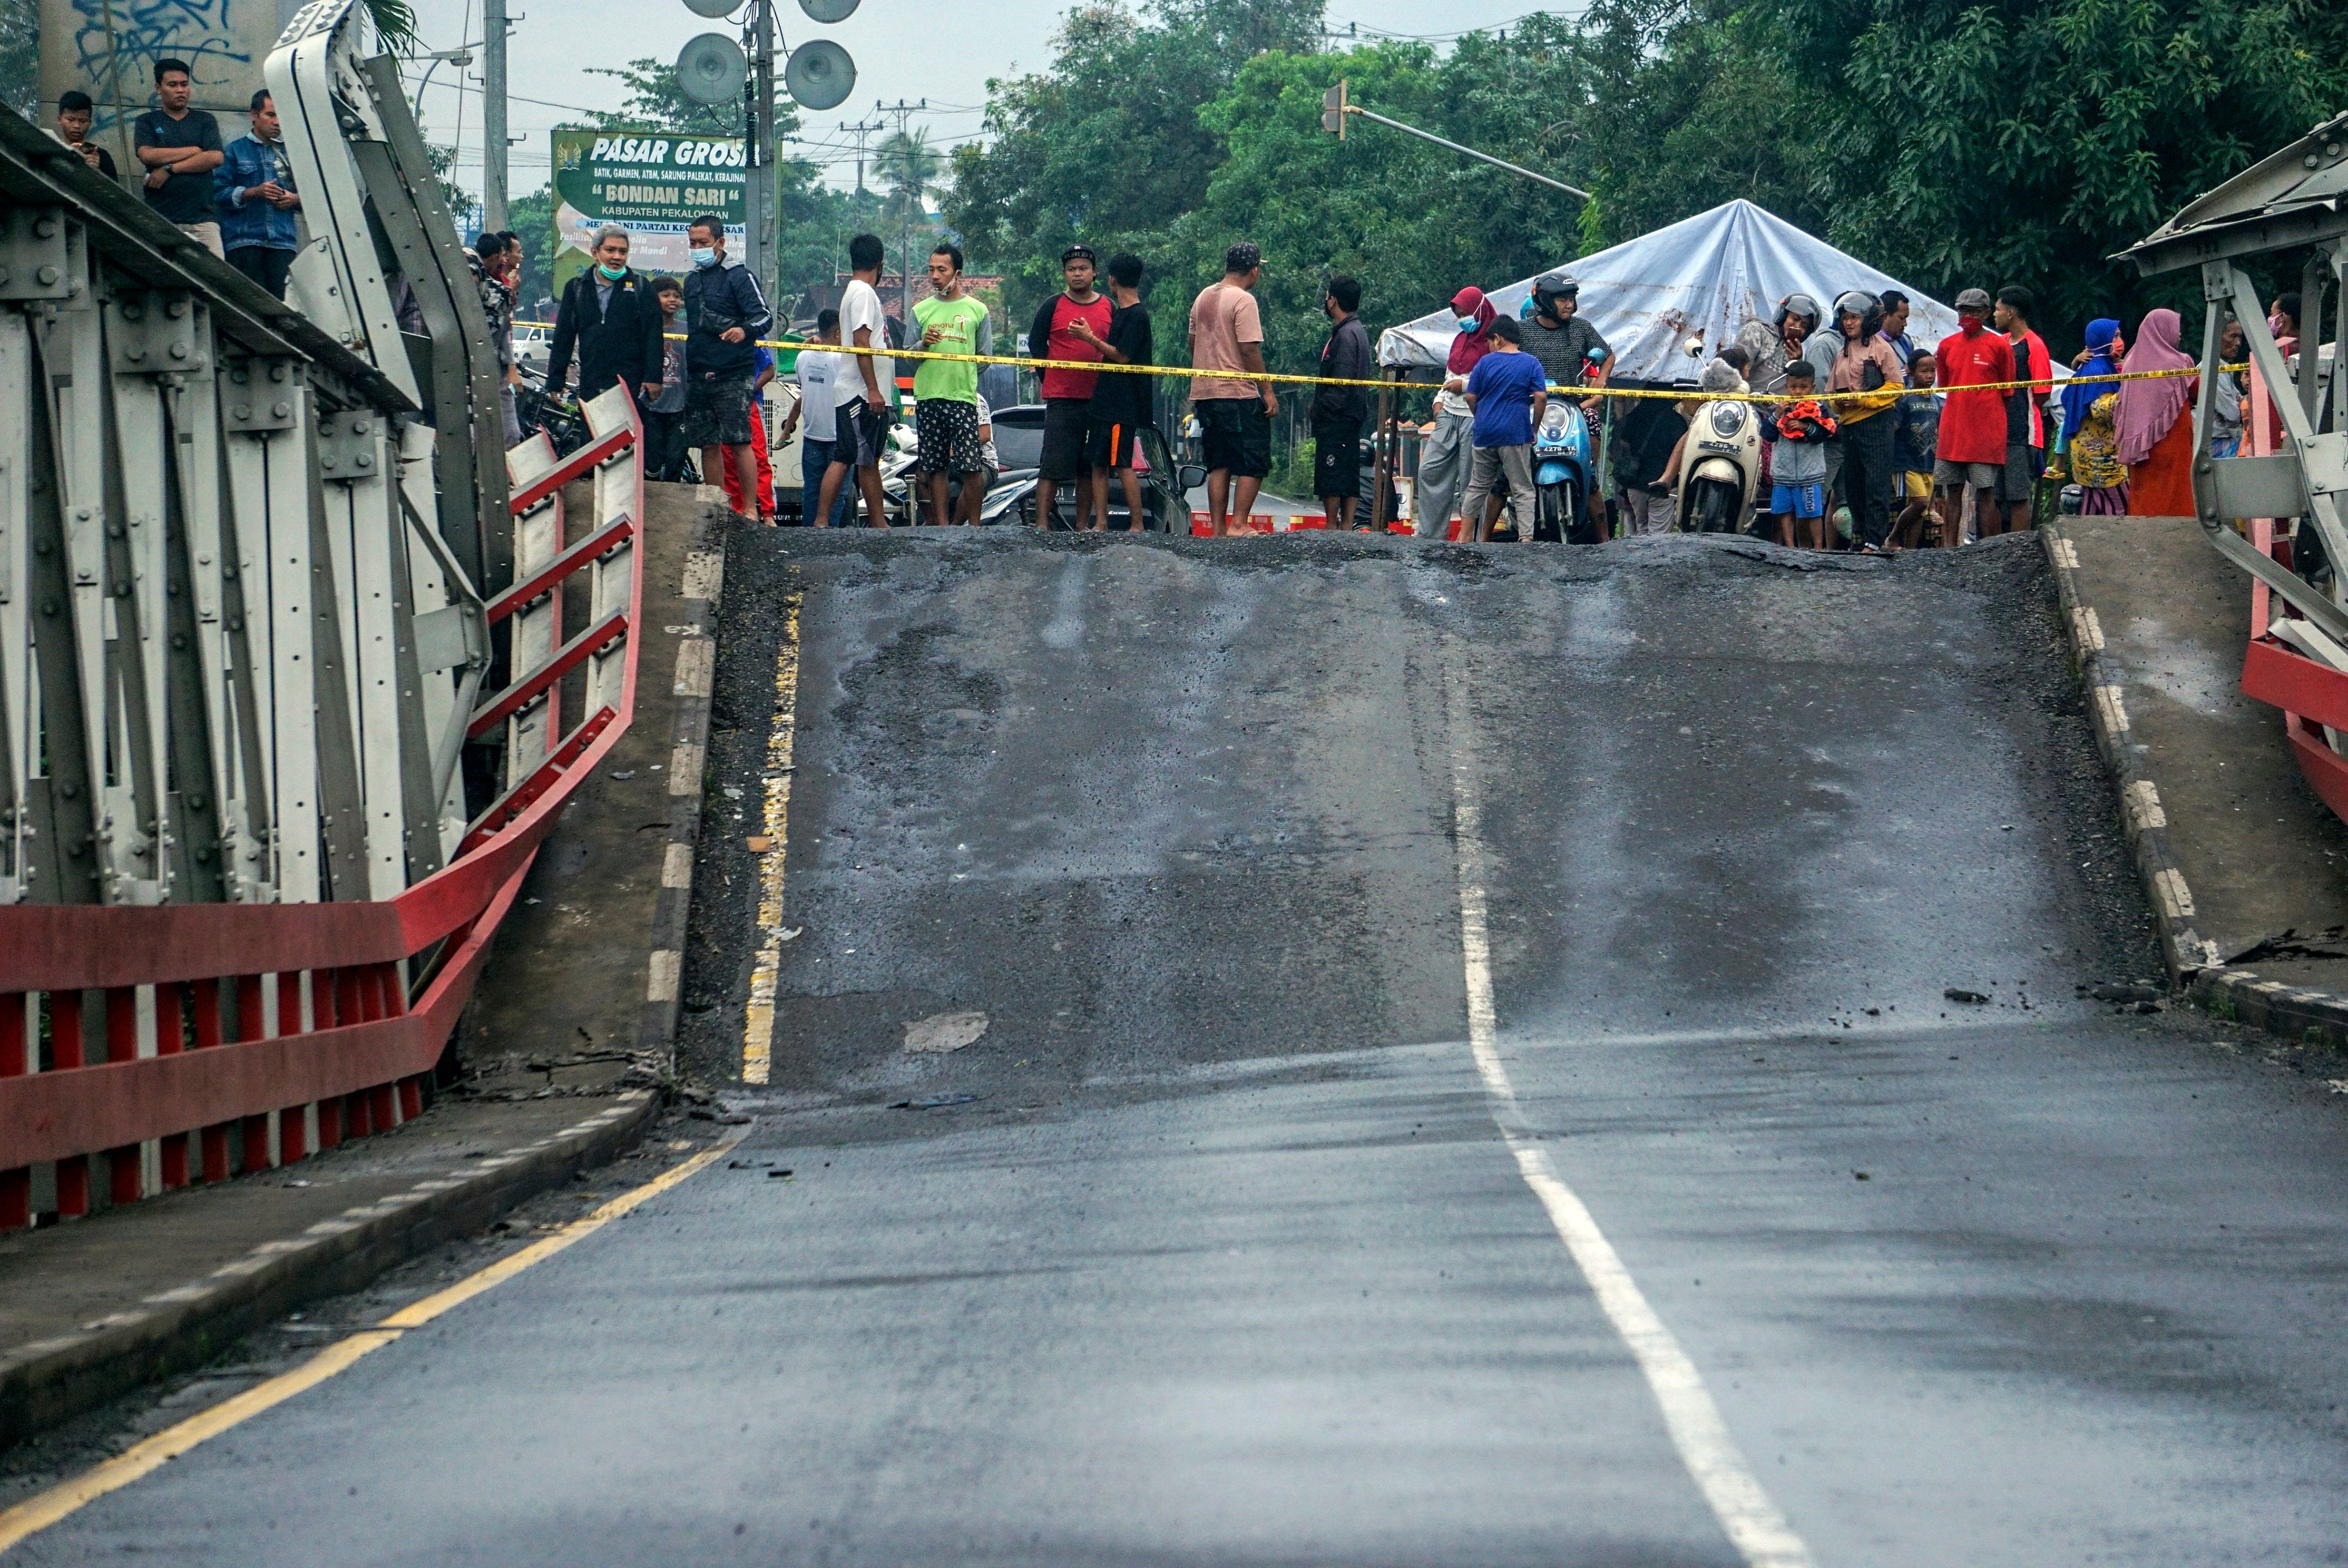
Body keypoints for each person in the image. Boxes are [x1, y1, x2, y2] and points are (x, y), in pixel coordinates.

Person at [683, 212, 777, 523]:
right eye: (693, 243)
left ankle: (750, 510)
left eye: (704, 243)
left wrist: (744, 330)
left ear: (721, 242)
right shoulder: (692, 280)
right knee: (709, 444)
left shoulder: (739, 275)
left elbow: (765, 317)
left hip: (734, 373)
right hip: (699, 374)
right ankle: (716, 507)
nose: (698, 248)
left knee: (739, 442)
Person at [1189, 242, 1277, 538]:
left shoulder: (1202, 297)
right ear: (1254, 270)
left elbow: (1193, 342)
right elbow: (1249, 349)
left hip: (1205, 393)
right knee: (1255, 458)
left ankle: (1219, 530)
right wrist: (1267, 391)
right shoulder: (1243, 300)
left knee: (1219, 462)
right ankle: (1239, 523)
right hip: (1237, 392)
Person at [1025, 245, 1114, 530]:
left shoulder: (1108, 306)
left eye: (1083, 269)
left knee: (1088, 468)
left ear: (1095, 273)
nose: (1078, 274)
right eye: (1072, 269)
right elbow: (1037, 345)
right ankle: (1041, 524)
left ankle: (1082, 526)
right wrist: (1048, 377)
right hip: (1062, 399)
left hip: (1098, 399)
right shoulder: (1052, 305)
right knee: (1051, 465)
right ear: (1065, 274)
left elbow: (1117, 350)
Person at [1071, 252, 1155, 532]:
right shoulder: (1120, 313)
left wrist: (1089, 338)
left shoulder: (1137, 316)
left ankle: (1137, 524)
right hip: (1104, 401)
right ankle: (1101, 522)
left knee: (1122, 464)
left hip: (1124, 404)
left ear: (1112, 280)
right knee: (1098, 461)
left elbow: (1122, 357)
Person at [912, 242, 994, 526]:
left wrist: (963, 372)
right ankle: (943, 528)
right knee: (934, 467)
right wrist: (923, 345)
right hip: (928, 397)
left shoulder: (978, 310)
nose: (935, 276)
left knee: (971, 466)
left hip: (962, 397)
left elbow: (985, 357)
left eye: (941, 270)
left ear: (957, 273)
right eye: (931, 270)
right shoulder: (920, 311)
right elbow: (908, 357)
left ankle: (975, 526)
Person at [1820, 291, 1907, 552]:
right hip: (1849, 425)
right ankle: (1859, 537)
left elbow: (1896, 387)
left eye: (1855, 318)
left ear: (1867, 319)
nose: (1849, 323)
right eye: (1845, 318)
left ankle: (1875, 540)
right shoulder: (1843, 351)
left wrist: (1864, 400)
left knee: (1876, 484)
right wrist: (1840, 403)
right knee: (1854, 486)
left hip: (1876, 423)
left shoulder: (1881, 348)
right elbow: (1831, 393)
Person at [545, 224, 664, 407]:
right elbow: (564, 337)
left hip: (631, 386)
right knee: (592, 435)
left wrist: (653, 377)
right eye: (610, 250)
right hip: (590, 384)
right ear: (595, 253)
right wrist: (555, 379)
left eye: (623, 252)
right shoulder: (576, 288)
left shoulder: (642, 288)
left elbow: (653, 336)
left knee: (631, 436)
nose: (617, 257)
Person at [1932, 288, 2013, 546]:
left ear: (1987, 313)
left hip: (1985, 431)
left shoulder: (2000, 346)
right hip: (1953, 430)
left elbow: (2008, 391)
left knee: (1986, 493)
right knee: (1951, 492)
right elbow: (1945, 386)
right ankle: (1949, 550)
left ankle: (1989, 548)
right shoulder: (1946, 346)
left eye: (1973, 311)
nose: (1966, 316)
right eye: (1962, 310)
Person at [1416, 285, 1495, 539]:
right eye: (1459, 314)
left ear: (1479, 310)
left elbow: (1496, 380)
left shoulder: (1494, 343)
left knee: (1471, 481)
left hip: (1476, 416)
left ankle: (1471, 539)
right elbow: (1449, 376)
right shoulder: (1459, 340)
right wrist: (1438, 403)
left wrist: (1465, 386)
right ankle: (1430, 536)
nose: (1463, 320)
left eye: (1466, 313)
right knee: (1430, 471)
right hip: (1448, 413)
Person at [1458, 317, 1546, 543]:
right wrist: (1534, 428)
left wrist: (1482, 417)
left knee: (1478, 486)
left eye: (1489, 342)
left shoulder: (1485, 363)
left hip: (1485, 434)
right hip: (1515, 433)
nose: (1489, 346)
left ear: (1497, 339)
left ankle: (1465, 536)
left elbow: (1470, 395)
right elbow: (1541, 397)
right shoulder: (1531, 363)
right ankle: (1525, 539)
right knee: (1522, 488)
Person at [134, 60, 225, 258]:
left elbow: (215, 158)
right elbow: (147, 155)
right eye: (173, 85)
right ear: (159, 88)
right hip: (161, 219)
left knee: (216, 283)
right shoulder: (147, 122)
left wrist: (169, 169)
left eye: (184, 84)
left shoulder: (205, 120)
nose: (180, 90)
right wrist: (194, 150)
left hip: (203, 220)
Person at [214, 90, 299, 298]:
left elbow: (316, 196)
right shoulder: (235, 150)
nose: (277, 122)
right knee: (244, 303)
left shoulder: (294, 154)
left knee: (282, 306)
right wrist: (254, 192)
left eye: (281, 116)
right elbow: (218, 194)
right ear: (254, 115)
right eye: (271, 115)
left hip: (282, 241)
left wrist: (295, 199)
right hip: (244, 240)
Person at [2118, 306, 2197, 516]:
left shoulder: (2129, 362)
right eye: (2175, 328)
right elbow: (2198, 391)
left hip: (2139, 445)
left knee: (2144, 496)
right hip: (2173, 440)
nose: (2179, 334)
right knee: (2176, 493)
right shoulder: (2181, 363)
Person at [779, 309, 853, 526]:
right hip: (838, 437)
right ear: (839, 334)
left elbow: (803, 395)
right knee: (837, 493)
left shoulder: (803, 356)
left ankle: (808, 537)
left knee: (811, 491)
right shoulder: (842, 359)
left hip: (812, 435)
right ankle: (829, 536)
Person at [1311, 274, 1372, 530]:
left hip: (1338, 418)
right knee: (1348, 472)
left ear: (1333, 301)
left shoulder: (1346, 335)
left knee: (1334, 472)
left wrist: (1324, 408)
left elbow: (1342, 381)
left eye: (1327, 297)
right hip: (1349, 417)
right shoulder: (1354, 331)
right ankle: (1344, 526)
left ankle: (1334, 526)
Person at [1992, 285, 2051, 532]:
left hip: (2022, 432)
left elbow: (2043, 392)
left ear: (2011, 313)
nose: (1994, 314)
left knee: (2018, 495)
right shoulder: (2001, 342)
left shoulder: (2035, 346)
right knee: (1993, 495)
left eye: (1997, 309)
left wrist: (2018, 409)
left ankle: (2018, 547)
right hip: (1996, 432)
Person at [1765, 361, 1837, 549]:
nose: (1798, 392)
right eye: (1793, 387)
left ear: (1813, 387)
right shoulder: (1780, 408)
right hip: (1783, 472)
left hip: (1810, 472)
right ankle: (1790, 547)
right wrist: (1776, 416)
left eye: (1803, 387)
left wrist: (1806, 427)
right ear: (1786, 386)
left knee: (1813, 512)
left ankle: (1819, 547)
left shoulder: (1818, 408)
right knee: (1784, 511)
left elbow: (1824, 435)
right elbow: (1767, 435)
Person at [1518, 271, 1613, 405]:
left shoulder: (1581, 327)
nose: (1569, 305)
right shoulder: (1520, 330)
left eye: (1571, 299)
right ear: (1545, 300)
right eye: (1563, 300)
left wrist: (1600, 380)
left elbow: (1608, 355)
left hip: (1571, 409)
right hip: (1527, 407)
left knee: (1593, 422)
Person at [1611, 390, 1688, 535]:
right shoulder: (1676, 420)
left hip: (1635, 485)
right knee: (1658, 536)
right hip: (1661, 486)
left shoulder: (1634, 417)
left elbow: (1624, 444)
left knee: (1642, 528)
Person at [1890, 350, 1941, 547]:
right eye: (1924, 371)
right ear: (1911, 373)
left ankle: (1910, 552)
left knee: (1922, 510)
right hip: (1907, 462)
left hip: (1928, 462)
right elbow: (1894, 427)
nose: (1929, 375)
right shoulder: (1905, 399)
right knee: (1918, 503)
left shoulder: (1936, 400)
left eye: (1932, 371)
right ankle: (1893, 538)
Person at [644, 276, 690, 482]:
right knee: (651, 461)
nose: (673, 300)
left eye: (677, 296)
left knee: (676, 459)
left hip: (680, 406)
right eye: (666, 295)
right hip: (650, 405)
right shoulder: (644, 329)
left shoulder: (686, 330)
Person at [2069, 390, 2130, 515]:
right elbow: (2101, 411)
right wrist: (2129, 389)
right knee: (2124, 511)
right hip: (2103, 463)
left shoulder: (2087, 372)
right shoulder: (2099, 371)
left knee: (2091, 511)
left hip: (2087, 459)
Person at [50, 90, 118, 178]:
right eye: (71, 120)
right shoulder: (52, 150)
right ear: (60, 120)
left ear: (90, 123)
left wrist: (98, 171)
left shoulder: (100, 156)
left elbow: (113, 190)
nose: (77, 126)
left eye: (83, 121)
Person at [2209, 317, 2246, 459]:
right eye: (2233, 337)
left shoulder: (2224, 368)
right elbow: (2233, 414)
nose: (2238, 343)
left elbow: (2239, 400)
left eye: (2239, 338)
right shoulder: (2213, 370)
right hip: (2218, 444)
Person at [1879, 289, 1917, 368]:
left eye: (1906, 318)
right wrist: (1905, 373)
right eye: (1901, 318)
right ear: (1885, 316)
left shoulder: (1906, 340)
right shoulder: (1869, 344)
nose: (1905, 324)